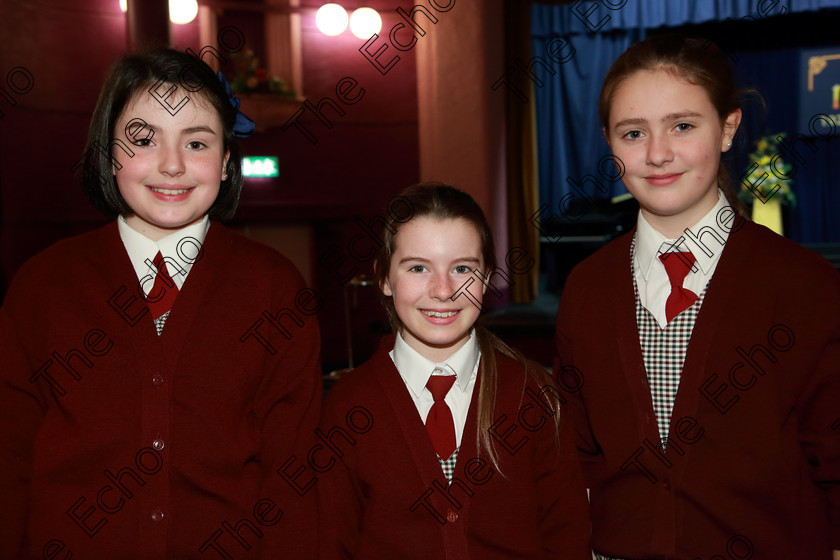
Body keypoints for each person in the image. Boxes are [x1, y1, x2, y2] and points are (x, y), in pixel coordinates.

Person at [0, 48, 321, 559]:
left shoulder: (273, 288)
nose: (172, 165)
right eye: (144, 140)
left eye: (196, 142)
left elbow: (291, 474)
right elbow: (11, 458)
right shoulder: (43, 286)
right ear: (108, 152)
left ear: (224, 160)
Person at [554, 34, 840, 560]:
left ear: (728, 128)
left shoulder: (806, 285)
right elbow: (577, 454)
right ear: (609, 144)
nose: (658, 153)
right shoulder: (588, 287)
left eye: (682, 126)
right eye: (633, 133)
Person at [317, 183, 590, 560]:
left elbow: (567, 536)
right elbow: (333, 540)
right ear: (383, 277)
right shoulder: (347, 405)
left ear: (487, 277)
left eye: (462, 268)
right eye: (418, 268)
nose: (444, 290)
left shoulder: (534, 394)